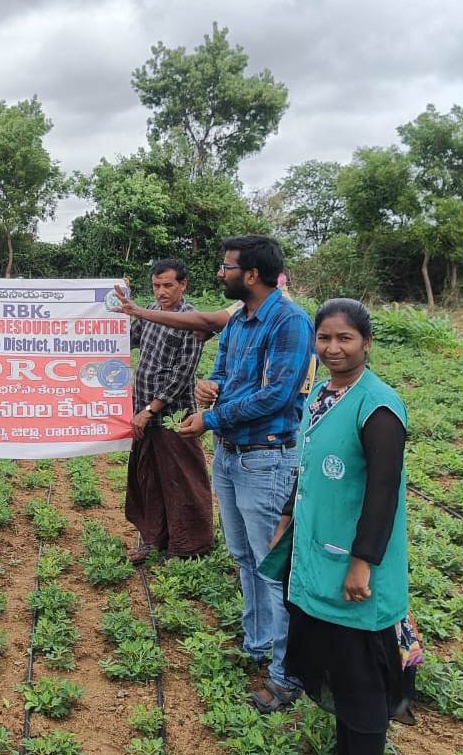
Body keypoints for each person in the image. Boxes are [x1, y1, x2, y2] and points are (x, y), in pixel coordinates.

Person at [265, 298, 417, 753]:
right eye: (325, 338)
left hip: (353, 563)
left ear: (366, 344)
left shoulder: (379, 407)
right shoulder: (321, 394)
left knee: (361, 677)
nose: (334, 348)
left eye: (345, 338)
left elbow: (383, 492)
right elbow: (306, 467)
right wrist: (286, 518)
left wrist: (362, 563)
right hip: (317, 551)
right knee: (337, 664)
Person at [177, 235, 316, 710]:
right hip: (232, 453)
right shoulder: (239, 321)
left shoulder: (290, 322)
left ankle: (285, 674)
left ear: (251, 275)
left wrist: (211, 417)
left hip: (266, 457)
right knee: (243, 555)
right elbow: (225, 374)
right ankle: (257, 643)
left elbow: (277, 395)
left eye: (227, 266)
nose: (221, 272)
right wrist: (207, 387)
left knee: (272, 566)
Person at [112, 259, 216, 563]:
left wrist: (149, 409)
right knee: (149, 477)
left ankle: (189, 546)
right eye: (156, 285)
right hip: (142, 410)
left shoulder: (192, 320)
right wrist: (105, 302)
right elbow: (124, 340)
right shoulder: (149, 315)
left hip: (174, 416)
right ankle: (152, 538)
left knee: (182, 479)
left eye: (168, 285)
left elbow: (183, 373)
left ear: (183, 285)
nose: (161, 292)